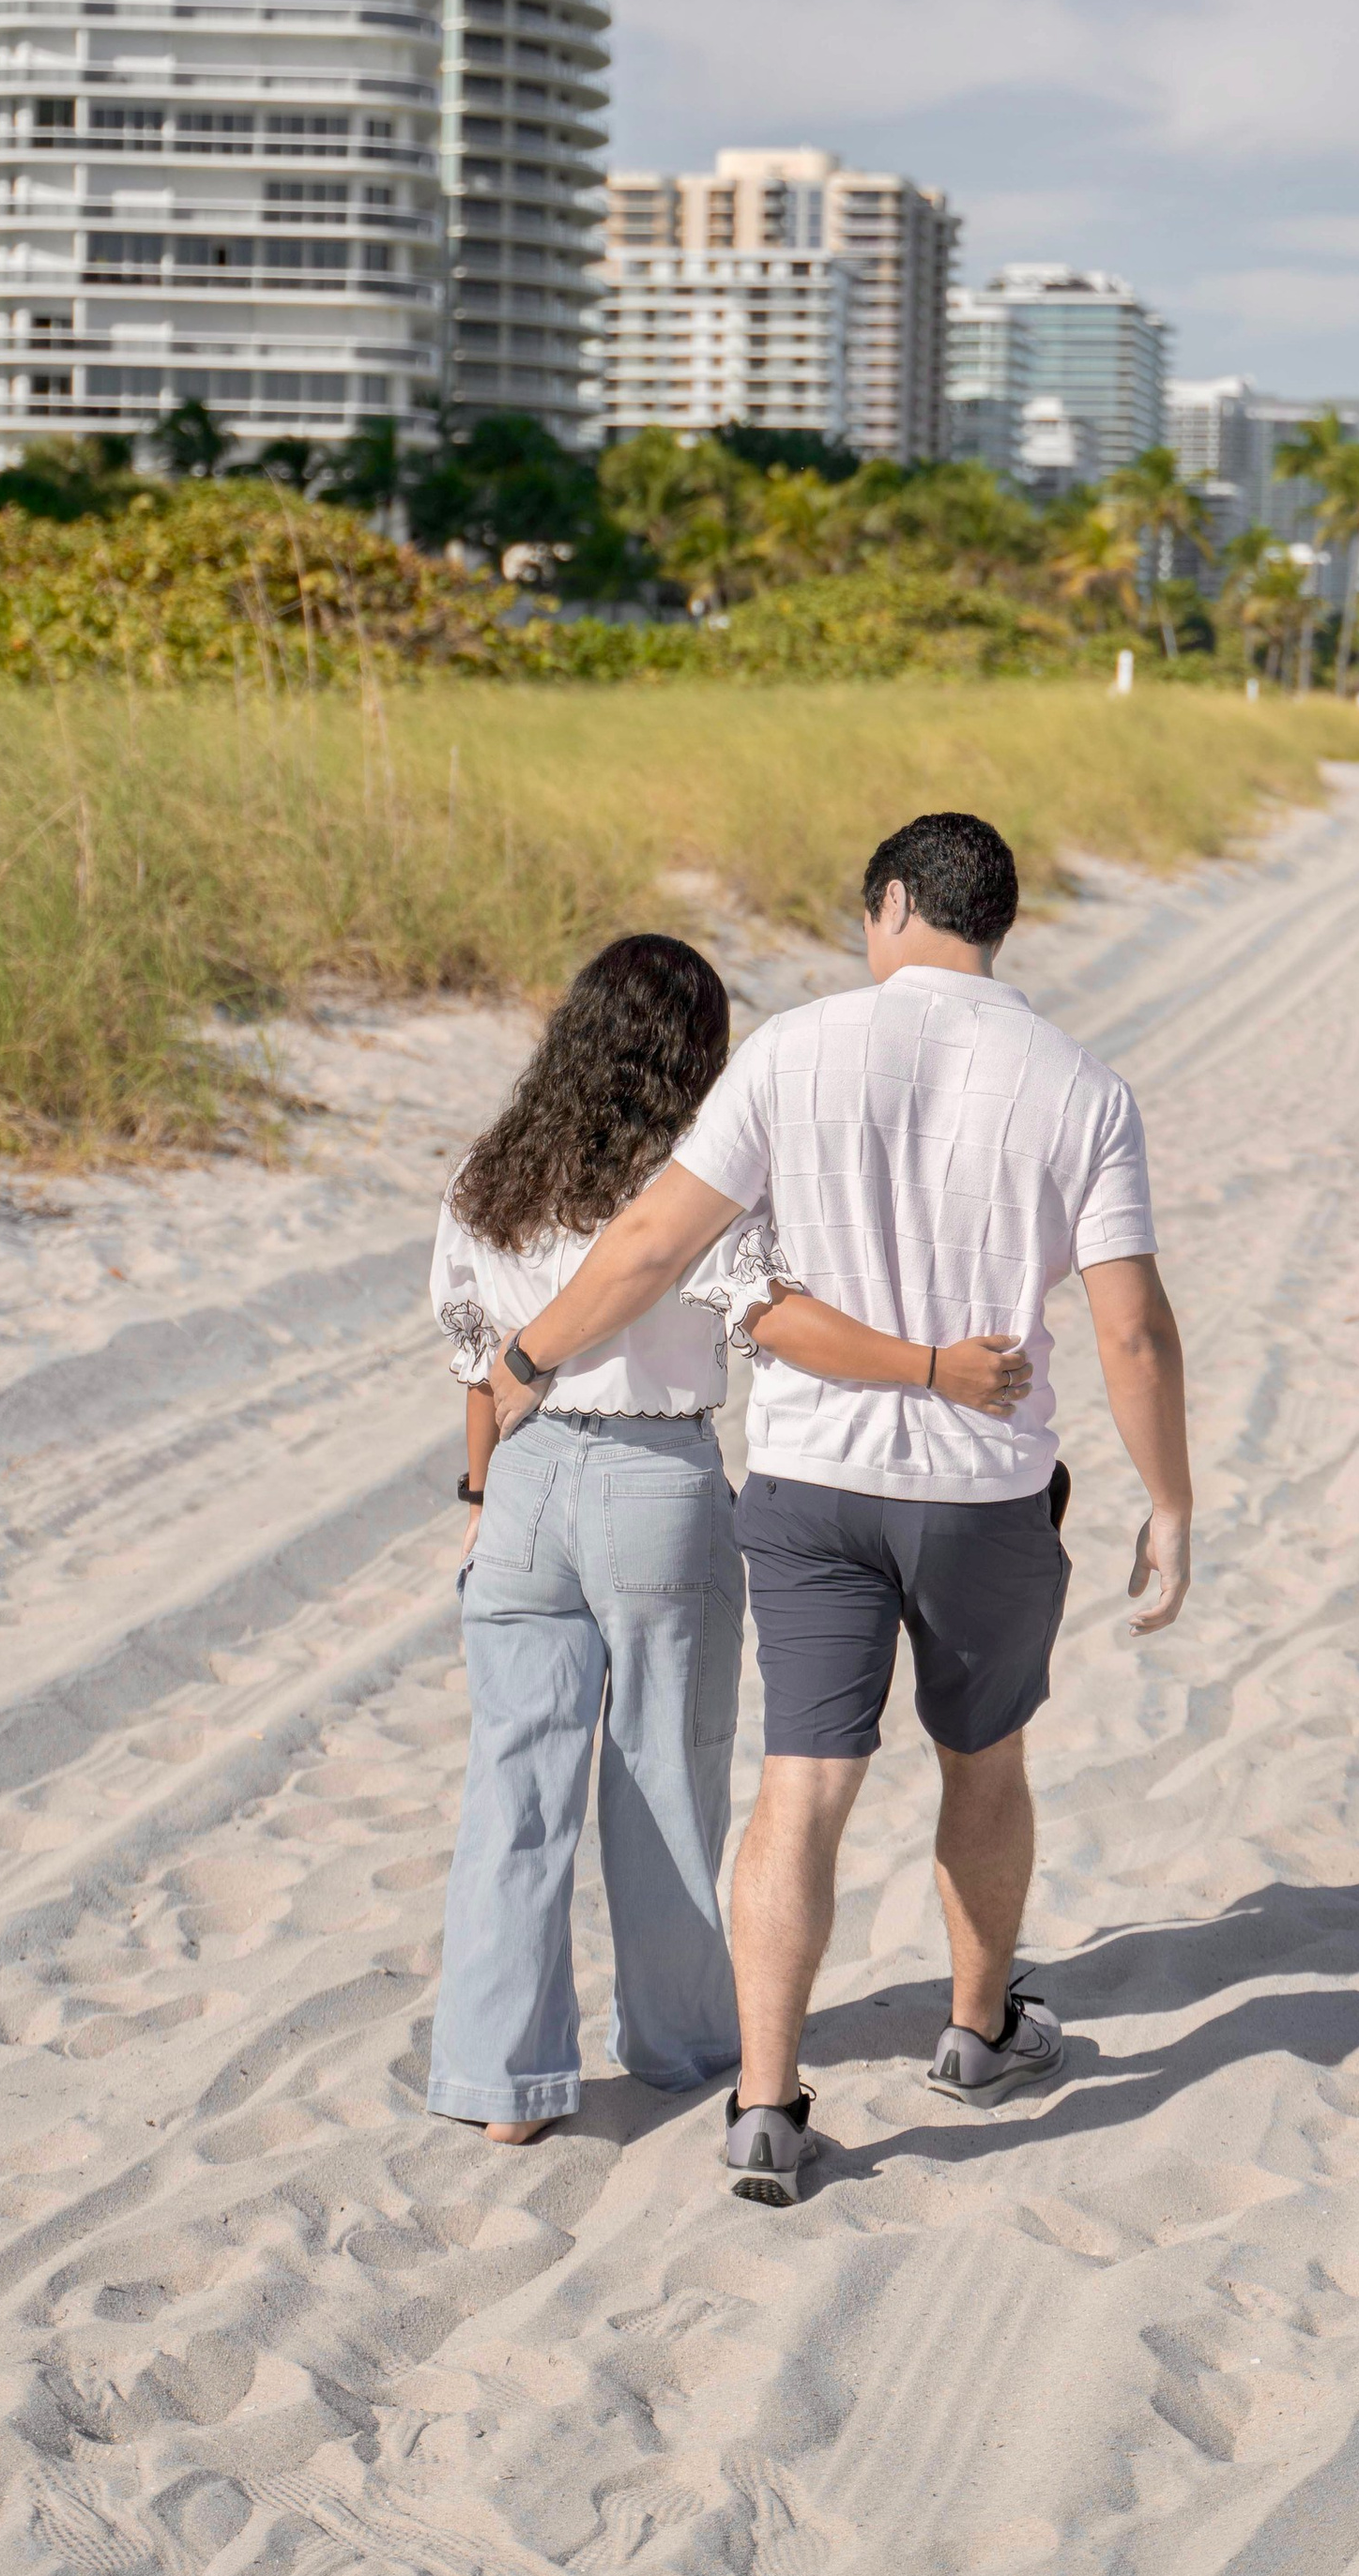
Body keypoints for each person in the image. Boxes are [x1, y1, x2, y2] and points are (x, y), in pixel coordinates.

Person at [486, 815, 1193, 2205]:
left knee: (801, 1786)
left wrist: (528, 1358)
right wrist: (1170, 1501)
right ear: (997, 924)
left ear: (893, 904)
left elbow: (653, 1242)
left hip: (811, 1487)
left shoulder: (791, 1050)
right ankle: (978, 2034)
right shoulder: (1083, 1088)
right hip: (983, 1495)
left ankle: (765, 2102)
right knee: (983, 1765)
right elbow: (1133, 1331)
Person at [430, 930, 1033, 2146]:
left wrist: (484, 1497)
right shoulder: (698, 1179)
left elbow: (477, 1363)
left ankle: (503, 2087)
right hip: (655, 1479)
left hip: (525, 1483)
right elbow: (775, 1319)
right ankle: (677, 2044)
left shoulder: (490, 1174)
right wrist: (931, 1367)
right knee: (666, 1774)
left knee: (512, 1791)